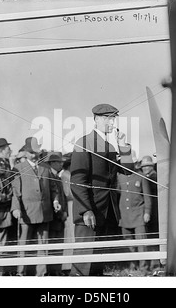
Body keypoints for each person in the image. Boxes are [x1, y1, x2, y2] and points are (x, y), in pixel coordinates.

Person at [69, 103, 134, 276]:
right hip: (90, 213)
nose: (111, 122)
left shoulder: (111, 147)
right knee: (83, 265)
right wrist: (85, 210)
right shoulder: (83, 142)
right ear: (96, 120)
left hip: (107, 212)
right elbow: (77, 180)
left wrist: (123, 145)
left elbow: (128, 170)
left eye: (113, 118)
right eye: (106, 118)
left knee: (97, 263)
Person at [11, 144, 59, 276]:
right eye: (31, 152)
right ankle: (21, 273)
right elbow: (15, 192)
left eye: (36, 152)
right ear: (25, 153)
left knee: (43, 244)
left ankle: (41, 274)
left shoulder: (46, 168)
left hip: (44, 212)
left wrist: (55, 201)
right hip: (26, 213)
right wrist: (15, 208)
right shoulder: (18, 168)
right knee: (24, 244)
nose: (33, 155)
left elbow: (54, 188)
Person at [117, 163, 152, 274]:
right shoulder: (120, 177)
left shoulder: (140, 177)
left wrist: (147, 212)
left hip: (138, 214)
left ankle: (144, 268)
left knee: (141, 242)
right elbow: (118, 193)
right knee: (129, 243)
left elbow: (147, 196)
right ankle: (133, 265)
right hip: (125, 216)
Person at [45, 152, 68, 276]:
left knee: (59, 244)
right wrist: (61, 213)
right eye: (59, 162)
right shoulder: (49, 177)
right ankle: (52, 270)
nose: (61, 164)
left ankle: (57, 270)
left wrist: (65, 213)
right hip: (54, 217)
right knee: (52, 244)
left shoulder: (58, 177)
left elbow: (63, 198)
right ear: (52, 163)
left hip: (61, 217)